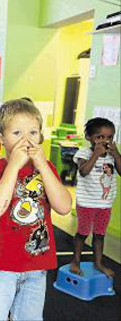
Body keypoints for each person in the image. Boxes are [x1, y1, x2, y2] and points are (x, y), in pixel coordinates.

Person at [0, 98, 71, 321]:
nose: (26, 140)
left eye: (33, 133)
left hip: (37, 264)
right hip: (1, 265)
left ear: (41, 137)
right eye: (17, 133)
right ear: (1, 137)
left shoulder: (47, 169)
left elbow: (64, 207)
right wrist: (14, 166)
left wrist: (43, 166)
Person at [69, 117, 120, 278]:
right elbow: (84, 171)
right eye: (100, 137)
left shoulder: (112, 154)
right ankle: (75, 260)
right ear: (88, 137)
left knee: (99, 234)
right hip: (86, 203)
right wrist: (96, 155)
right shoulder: (84, 152)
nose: (105, 141)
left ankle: (98, 263)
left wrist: (117, 154)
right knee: (83, 232)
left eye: (109, 137)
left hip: (105, 204)